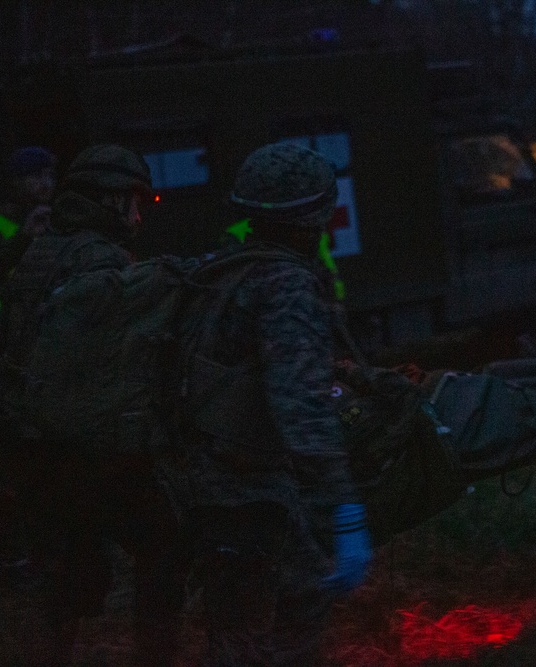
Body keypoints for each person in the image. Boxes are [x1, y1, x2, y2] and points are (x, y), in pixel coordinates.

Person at [157, 142, 372, 665]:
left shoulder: (221, 272)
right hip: (248, 492)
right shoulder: (286, 285)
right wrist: (345, 508)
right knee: (266, 626)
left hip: (196, 483)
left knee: (255, 618)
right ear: (315, 214)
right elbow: (300, 408)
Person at [0, 144, 183, 665]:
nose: (138, 217)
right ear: (109, 200)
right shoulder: (101, 259)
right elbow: (118, 374)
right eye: (133, 202)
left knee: (60, 580)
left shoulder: (40, 251)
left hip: (30, 446)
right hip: (85, 454)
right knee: (164, 543)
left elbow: (2, 354)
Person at [0, 146, 57, 357]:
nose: (46, 183)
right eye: (35, 175)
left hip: (42, 340)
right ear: (16, 181)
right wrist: (23, 238)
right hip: (0, 343)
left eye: (50, 175)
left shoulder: (56, 221)